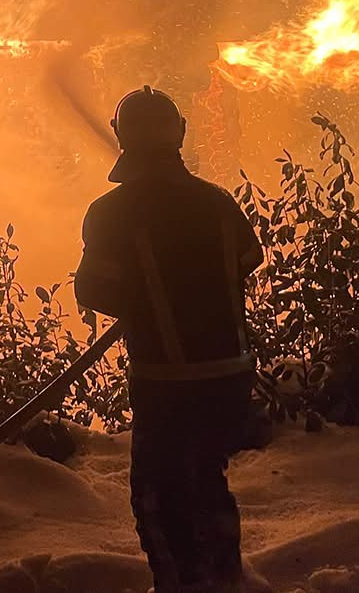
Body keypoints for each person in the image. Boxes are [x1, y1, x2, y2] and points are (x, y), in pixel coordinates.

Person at [74, 85, 266, 593]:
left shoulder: (113, 211)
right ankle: (225, 578)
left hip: (168, 381)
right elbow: (249, 260)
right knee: (206, 480)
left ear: (121, 138)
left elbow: (94, 287)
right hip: (229, 375)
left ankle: (186, 587)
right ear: (180, 132)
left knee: (158, 498)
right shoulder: (219, 203)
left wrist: (149, 292)